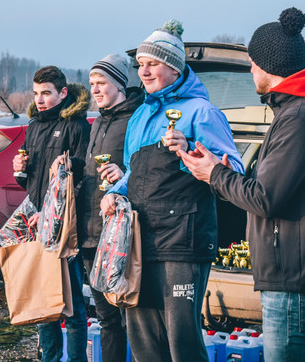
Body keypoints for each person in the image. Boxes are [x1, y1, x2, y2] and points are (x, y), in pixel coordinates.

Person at [178, 7, 305, 362]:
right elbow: (279, 186)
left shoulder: (299, 117)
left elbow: (266, 199)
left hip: (293, 283)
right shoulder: (303, 110)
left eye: (253, 62)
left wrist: (214, 174)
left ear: (269, 65)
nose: (250, 69)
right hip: (293, 277)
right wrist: (226, 174)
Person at [100, 20, 244, 362]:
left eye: (153, 64)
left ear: (175, 66)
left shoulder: (202, 112)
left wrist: (191, 146)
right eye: (141, 65)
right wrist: (115, 192)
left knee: (182, 342)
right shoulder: (140, 116)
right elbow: (136, 172)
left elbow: (234, 170)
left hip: (183, 242)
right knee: (144, 341)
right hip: (138, 241)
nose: (144, 71)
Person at [11, 65, 91, 362]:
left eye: (46, 93)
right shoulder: (34, 125)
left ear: (63, 93)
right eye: (36, 93)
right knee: (45, 303)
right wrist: (20, 172)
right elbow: (34, 179)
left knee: (72, 306)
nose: (40, 99)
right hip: (36, 227)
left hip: (65, 229)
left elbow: (80, 180)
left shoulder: (77, 126)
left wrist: (50, 214)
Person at [79, 54, 144, 362]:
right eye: (92, 84)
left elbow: (144, 168)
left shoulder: (136, 117)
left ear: (119, 84)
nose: (95, 89)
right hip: (93, 235)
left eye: (101, 83)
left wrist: (124, 176)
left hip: (123, 234)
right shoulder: (98, 122)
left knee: (132, 318)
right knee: (106, 319)